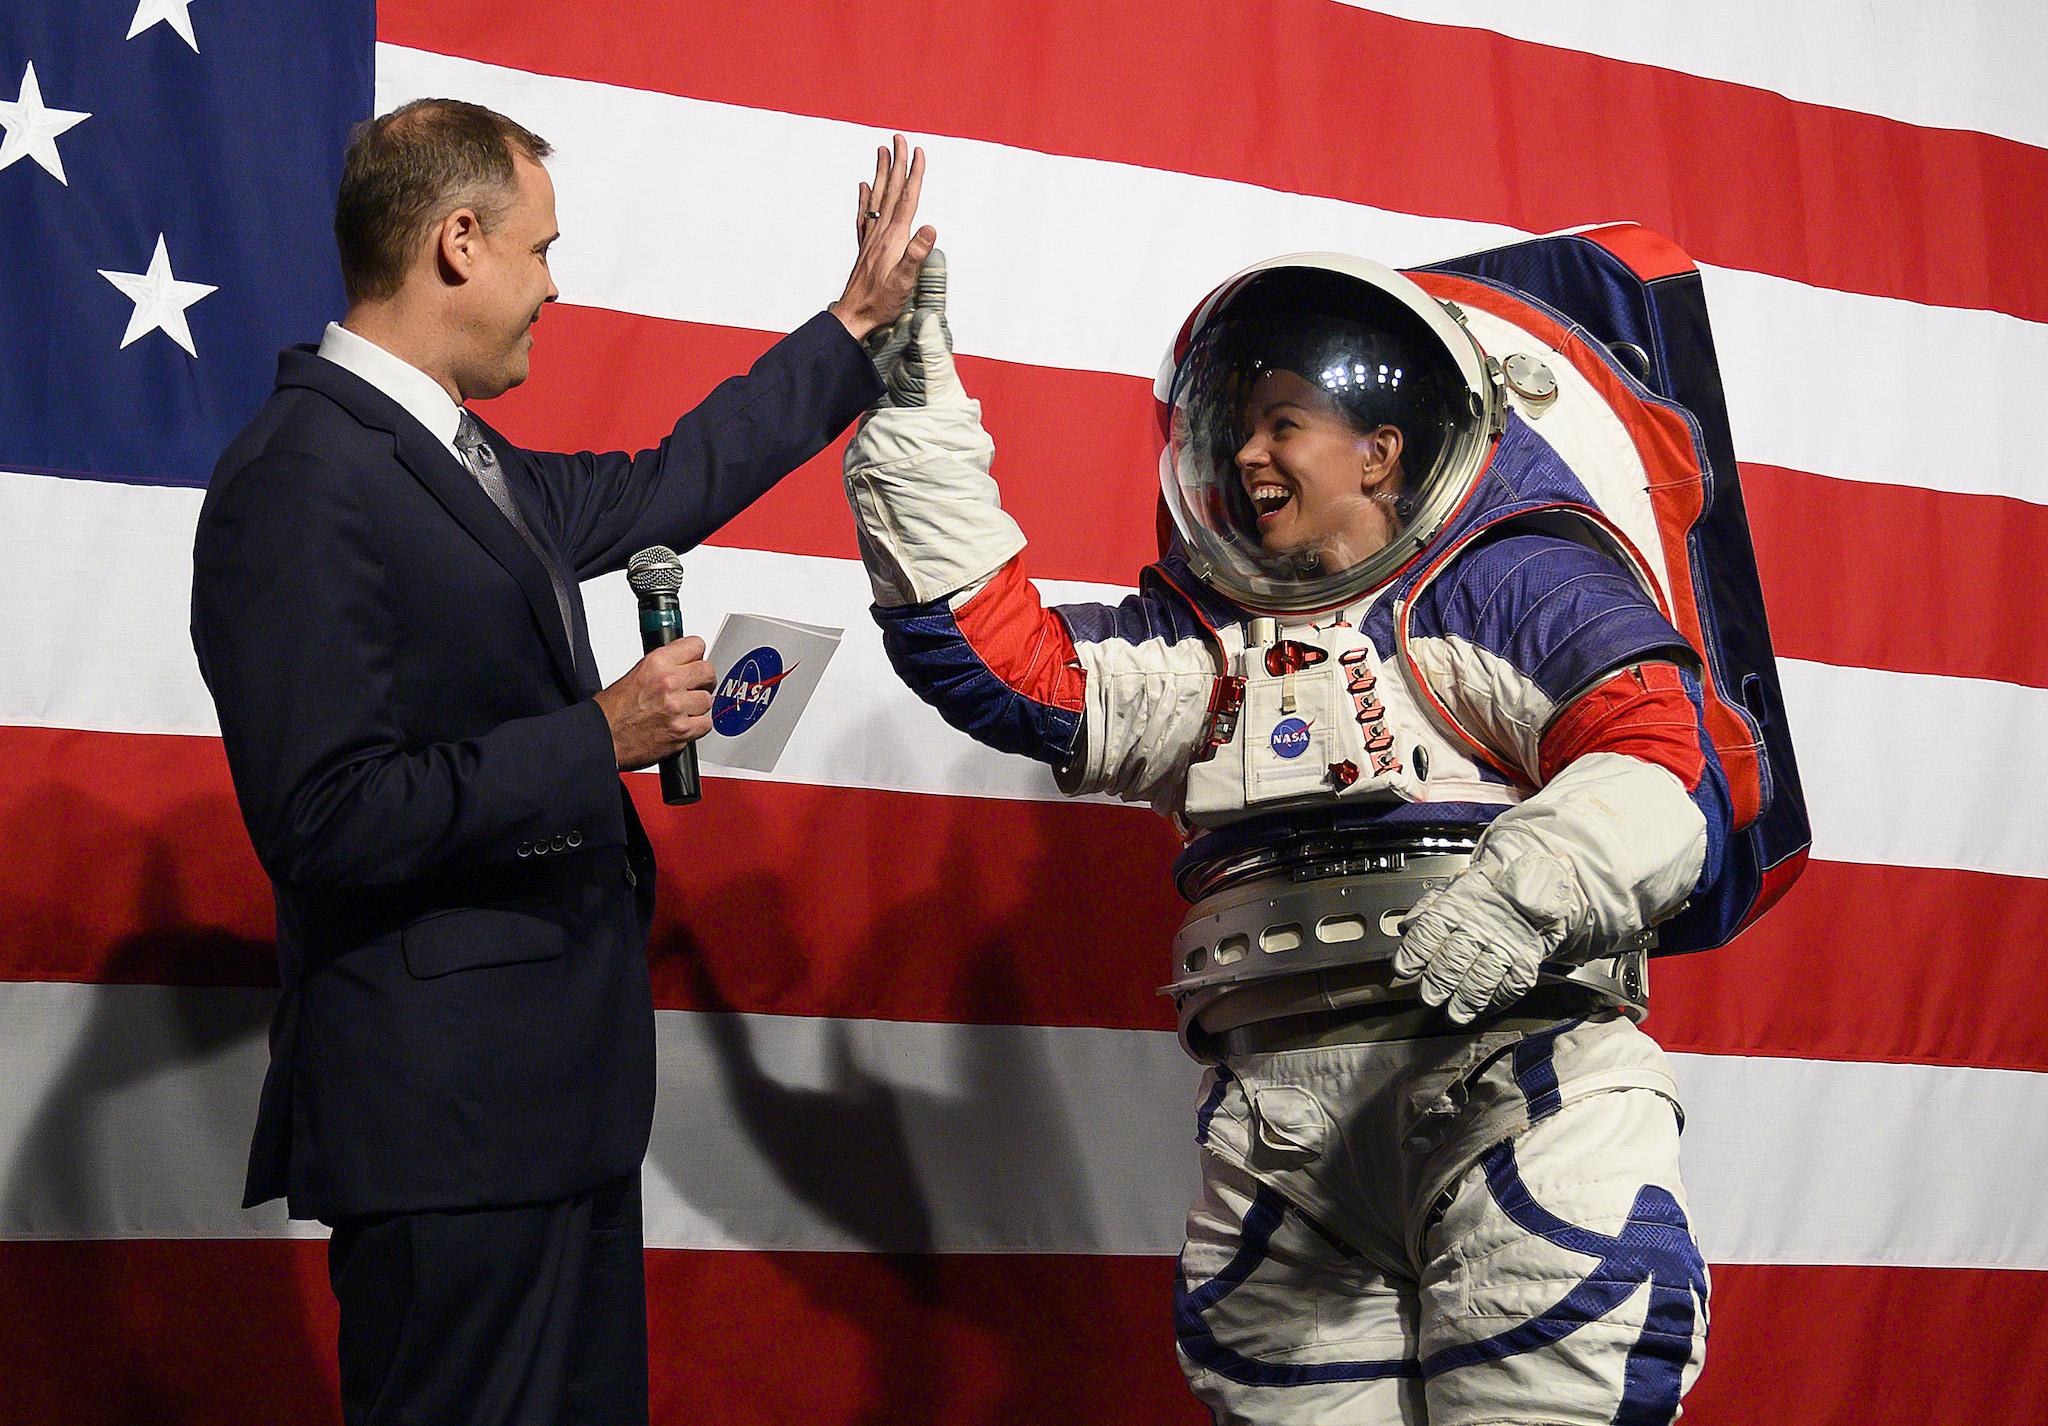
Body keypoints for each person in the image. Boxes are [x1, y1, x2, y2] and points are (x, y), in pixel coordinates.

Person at [840, 253, 1737, 1424]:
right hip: (1281, 1131)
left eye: (1283, 424)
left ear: (1380, 448)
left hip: (1515, 1100)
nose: (1247, 454)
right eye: (1236, 427)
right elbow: (1002, 664)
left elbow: (1664, 766)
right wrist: (914, 411)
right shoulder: (1205, 649)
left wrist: (1520, 894)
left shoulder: (1514, 585)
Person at [189, 99, 932, 1425]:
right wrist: (601, 736)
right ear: (458, 242)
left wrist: (855, 329)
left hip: (549, 1112)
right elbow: (324, 815)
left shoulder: (466, 463)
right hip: (446, 1132)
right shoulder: (300, 476)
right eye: (541, 250)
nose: (554, 287)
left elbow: (668, 480)